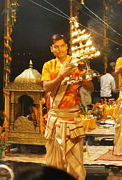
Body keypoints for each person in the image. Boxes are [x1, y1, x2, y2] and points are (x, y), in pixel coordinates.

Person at [41, 34, 94, 179]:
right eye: (56, 46)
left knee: (75, 162)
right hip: (56, 118)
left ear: (67, 46)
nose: (60, 49)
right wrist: (61, 76)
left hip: (72, 119)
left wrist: (80, 80)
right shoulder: (48, 65)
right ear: (51, 49)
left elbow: (90, 87)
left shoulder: (76, 63)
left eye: (62, 45)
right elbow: (46, 87)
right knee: (54, 162)